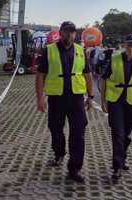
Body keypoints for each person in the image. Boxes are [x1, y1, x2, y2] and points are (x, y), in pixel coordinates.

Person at [35, 21, 94, 183]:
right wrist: (40, 98)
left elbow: (88, 75)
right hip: (56, 98)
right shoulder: (49, 50)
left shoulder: (81, 51)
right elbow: (40, 75)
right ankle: (59, 153)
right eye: (66, 31)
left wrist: (90, 96)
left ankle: (74, 169)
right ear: (60, 32)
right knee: (55, 129)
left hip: (76, 98)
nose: (69, 34)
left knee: (78, 134)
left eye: (72, 32)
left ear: (75, 34)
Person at [100, 34, 132, 181]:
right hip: (115, 100)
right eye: (129, 44)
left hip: (131, 101)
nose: (131, 48)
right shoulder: (115, 59)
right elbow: (103, 79)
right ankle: (117, 167)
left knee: (127, 135)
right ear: (124, 45)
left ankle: (122, 157)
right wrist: (103, 101)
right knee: (118, 133)